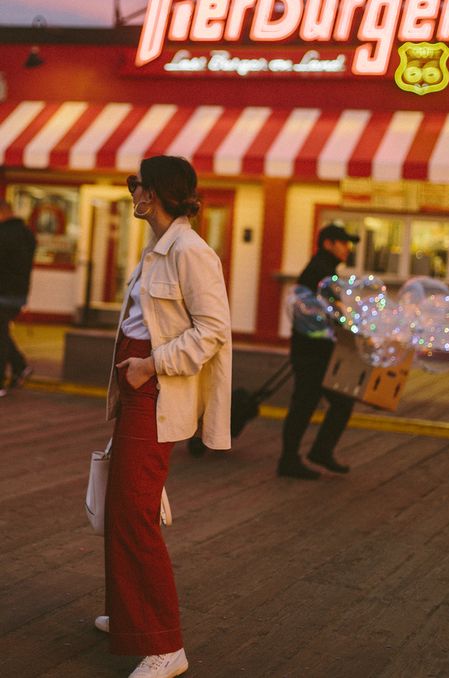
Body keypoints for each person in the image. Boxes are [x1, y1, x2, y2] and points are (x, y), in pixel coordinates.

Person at [97, 156, 232, 678]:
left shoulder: (191, 252)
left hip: (155, 391)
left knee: (134, 512)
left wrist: (150, 365)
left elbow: (212, 330)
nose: (132, 193)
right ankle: (131, 614)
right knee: (122, 504)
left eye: (136, 185)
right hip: (139, 387)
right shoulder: (158, 249)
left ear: (151, 193)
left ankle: (164, 644)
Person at [278, 223, 360, 480]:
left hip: (318, 350)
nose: (347, 248)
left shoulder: (325, 270)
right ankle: (290, 460)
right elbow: (318, 313)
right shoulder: (319, 271)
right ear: (328, 243)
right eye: (342, 242)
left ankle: (317, 452)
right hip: (312, 351)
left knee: (336, 402)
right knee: (306, 403)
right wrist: (345, 326)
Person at [0, 199, 36, 397]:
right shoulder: (26, 234)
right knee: (2, 332)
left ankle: (2, 380)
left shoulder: (3, 234)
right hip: (19, 293)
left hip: (2, 291)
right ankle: (19, 366)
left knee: (0, 336)